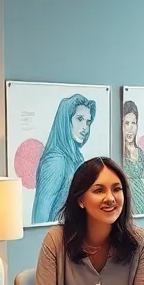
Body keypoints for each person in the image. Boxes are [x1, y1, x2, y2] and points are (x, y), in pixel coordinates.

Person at [31, 156, 144, 285]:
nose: (111, 198)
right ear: (81, 200)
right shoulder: (56, 239)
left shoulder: (137, 239)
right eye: (99, 191)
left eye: (117, 189)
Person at [31, 93, 95, 224]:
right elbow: (41, 217)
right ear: (66, 121)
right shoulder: (56, 160)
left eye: (88, 122)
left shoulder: (76, 159)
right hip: (58, 239)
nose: (85, 127)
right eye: (79, 119)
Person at [120, 101, 144, 216]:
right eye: (127, 123)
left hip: (141, 198)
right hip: (128, 200)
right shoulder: (120, 153)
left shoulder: (140, 152)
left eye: (133, 123)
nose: (130, 129)